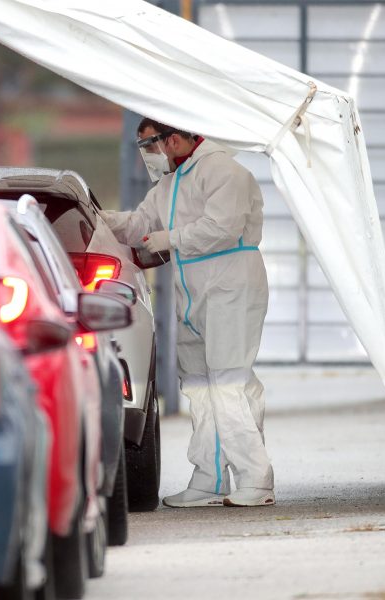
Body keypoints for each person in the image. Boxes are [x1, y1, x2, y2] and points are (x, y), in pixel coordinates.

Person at [100, 118, 274, 508]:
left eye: (149, 145)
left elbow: (223, 228)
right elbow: (138, 225)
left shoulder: (224, 171)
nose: (148, 155)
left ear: (173, 138)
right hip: (192, 289)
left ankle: (255, 478)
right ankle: (209, 478)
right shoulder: (168, 185)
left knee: (229, 381)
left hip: (230, 283)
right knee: (198, 383)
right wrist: (99, 217)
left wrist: (171, 238)